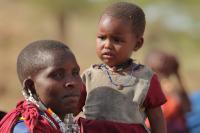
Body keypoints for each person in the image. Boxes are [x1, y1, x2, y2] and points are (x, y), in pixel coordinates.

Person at [77, 2, 167, 133]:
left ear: (137, 44)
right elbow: (71, 109)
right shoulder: (89, 76)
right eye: (102, 38)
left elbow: (157, 117)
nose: (107, 45)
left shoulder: (145, 79)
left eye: (117, 40)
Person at [0, 40, 83, 133]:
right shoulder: (28, 129)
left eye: (75, 73)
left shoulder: (72, 126)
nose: (72, 82)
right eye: (58, 75)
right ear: (31, 87)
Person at [145, 50, 191, 133]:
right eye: (161, 59)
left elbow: (187, 107)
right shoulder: (147, 89)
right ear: (150, 65)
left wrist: (176, 73)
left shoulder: (171, 87)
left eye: (165, 60)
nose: (164, 62)